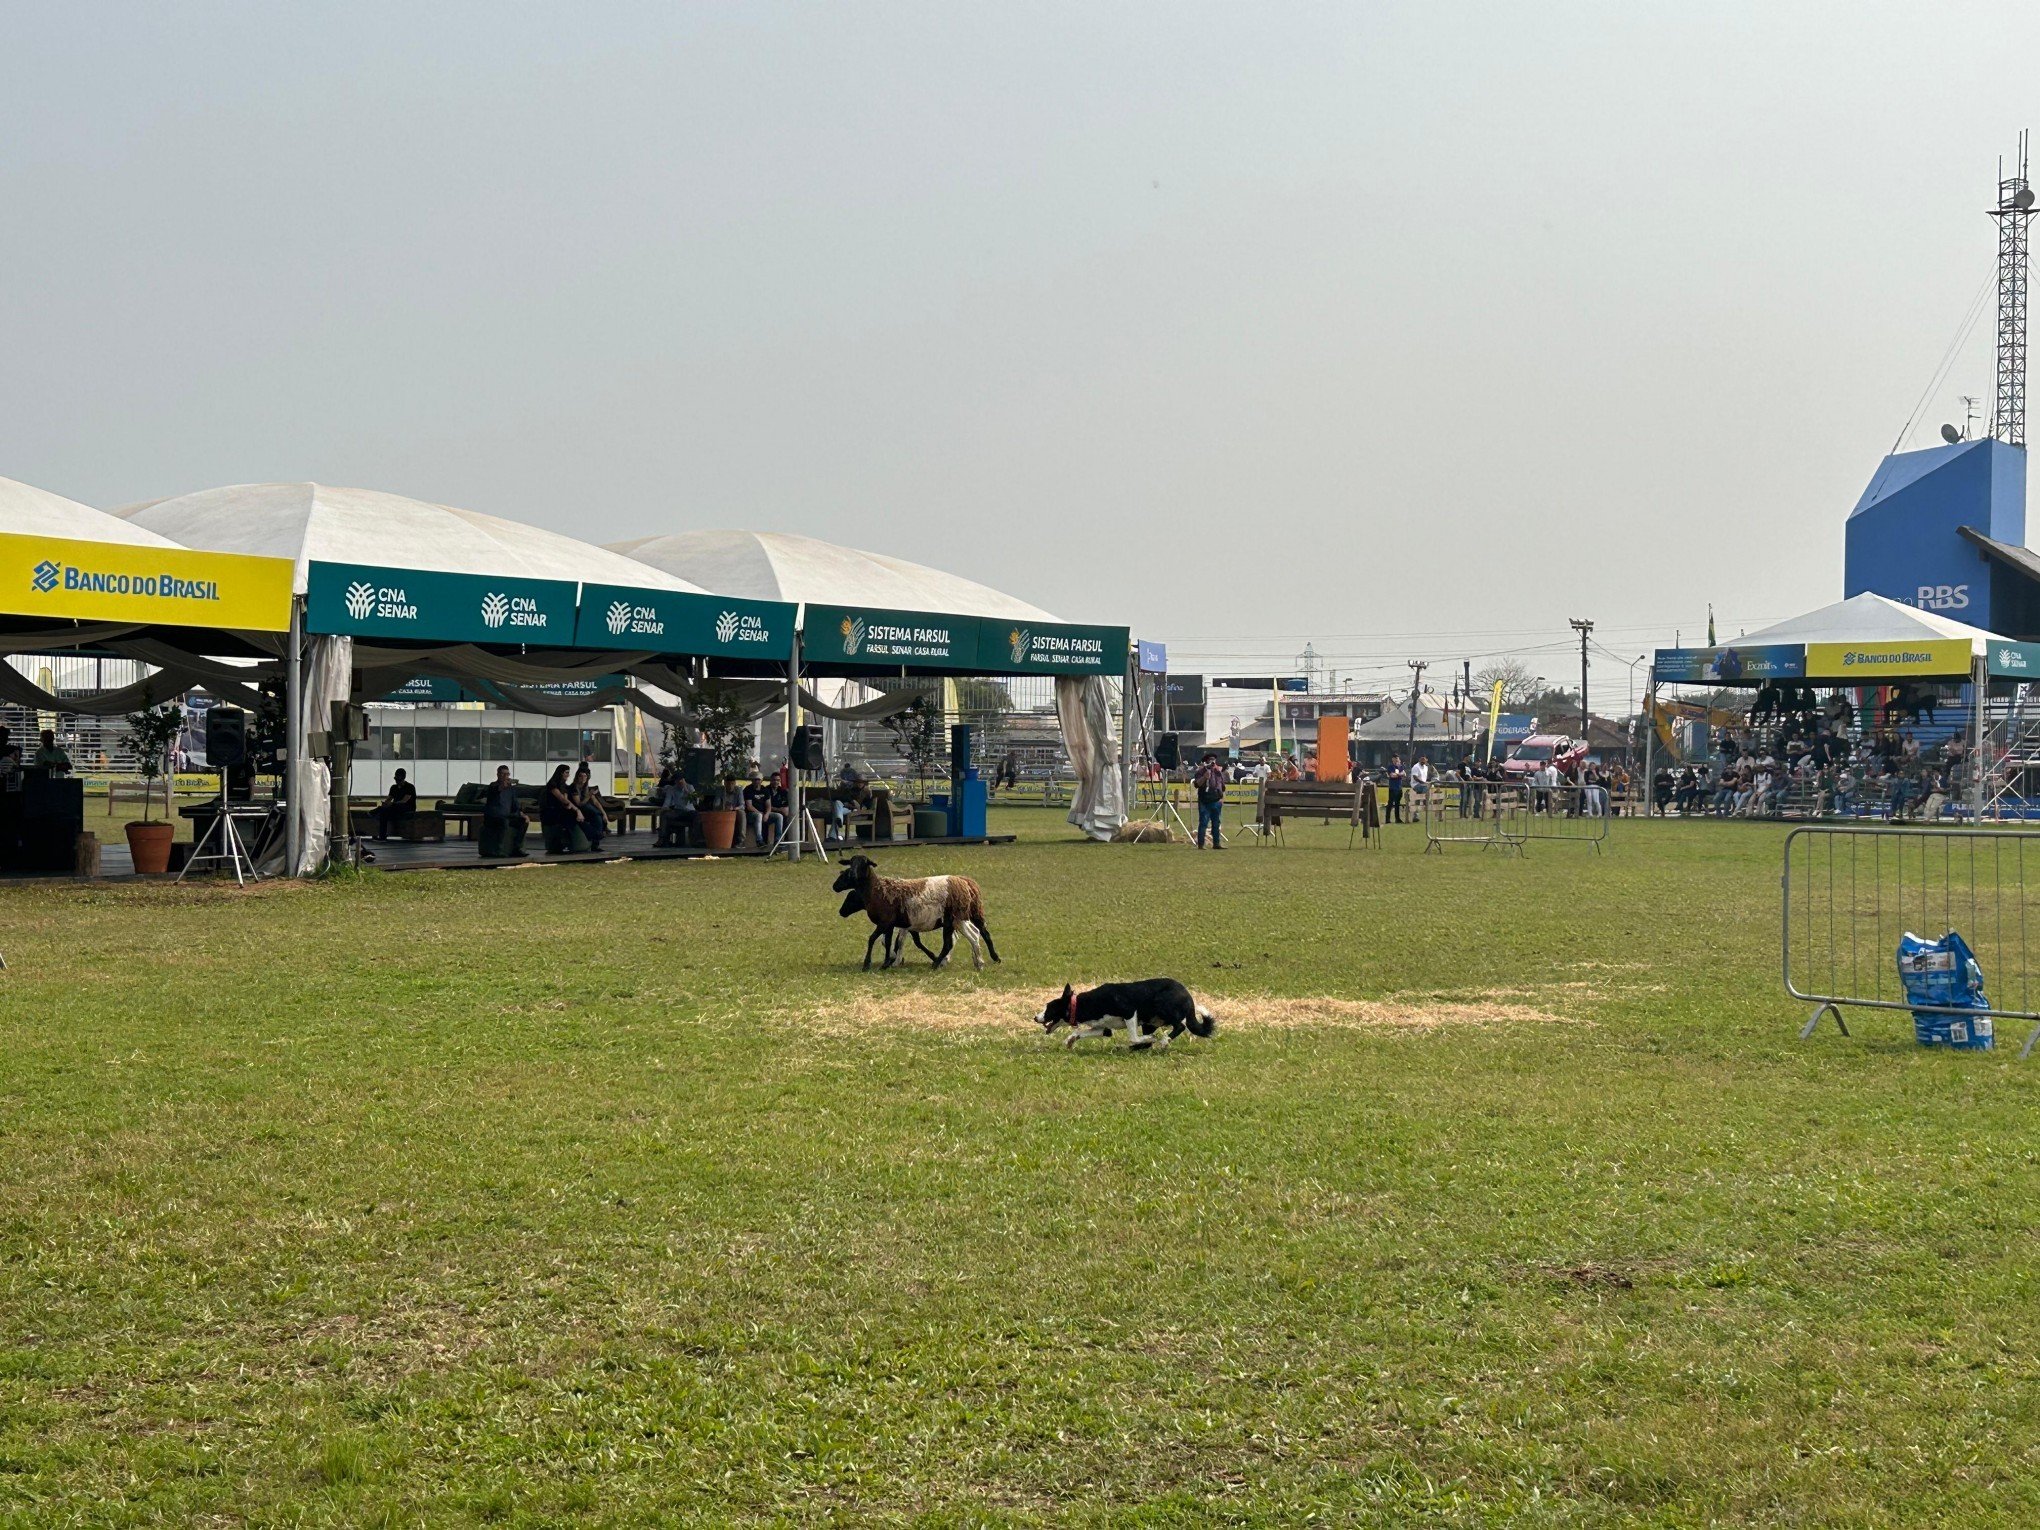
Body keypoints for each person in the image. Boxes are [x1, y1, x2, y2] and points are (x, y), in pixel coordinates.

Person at [481, 765, 528, 856]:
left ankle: (517, 848)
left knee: (523, 821)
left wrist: (522, 814)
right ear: (498, 774)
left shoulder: (511, 789)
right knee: (503, 821)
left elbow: (515, 805)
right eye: (503, 774)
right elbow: (498, 789)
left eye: (507, 774)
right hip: (494, 816)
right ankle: (500, 850)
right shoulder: (493, 786)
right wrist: (504, 785)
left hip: (508, 815)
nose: (506, 776)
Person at [539, 764, 586, 853]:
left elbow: (566, 800)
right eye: (566, 772)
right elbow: (562, 798)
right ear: (560, 773)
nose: (568, 775)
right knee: (570, 816)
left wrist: (572, 807)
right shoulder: (552, 784)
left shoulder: (563, 785)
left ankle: (575, 840)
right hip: (550, 811)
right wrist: (577, 810)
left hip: (559, 809)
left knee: (574, 814)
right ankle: (566, 843)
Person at [655, 768, 700, 848]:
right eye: (677, 780)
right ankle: (662, 839)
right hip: (678, 811)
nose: (679, 782)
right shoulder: (672, 789)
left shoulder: (690, 787)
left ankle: (696, 839)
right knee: (665, 815)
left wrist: (686, 790)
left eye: (680, 780)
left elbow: (695, 802)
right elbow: (667, 803)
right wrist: (664, 809)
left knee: (696, 815)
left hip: (689, 812)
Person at [1192, 752, 1227, 849]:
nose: (1213, 762)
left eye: (1214, 759)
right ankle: (1201, 845)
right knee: (1203, 823)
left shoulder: (1218, 772)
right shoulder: (1201, 772)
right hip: (1205, 801)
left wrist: (1221, 798)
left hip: (1216, 801)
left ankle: (1216, 844)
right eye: (1210, 759)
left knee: (1216, 823)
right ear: (1206, 761)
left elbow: (1222, 786)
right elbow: (1197, 784)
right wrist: (1205, 777)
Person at [372, 768, 418, 840]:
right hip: (395, 807)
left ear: (403, 778)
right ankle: (382, 836)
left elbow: (404, 801)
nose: (397, 781)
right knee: (384, 812)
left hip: (407, 808)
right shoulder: (393, 787)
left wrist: (391, 804)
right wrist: (385, 803)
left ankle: (373, 812)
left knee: (394, 807)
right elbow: (389, 798)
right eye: (395, 779)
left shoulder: (410, 787)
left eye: (398, 780)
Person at [570, 764, 608, 850]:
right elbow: (579, 804)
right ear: (577, 777)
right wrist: (589, 795)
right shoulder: (574, 787)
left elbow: (595, 802)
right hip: (576, 810)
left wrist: (604, 813)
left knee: (599, 816)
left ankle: (597, 840)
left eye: (585, 776)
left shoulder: (585, 787)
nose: (583, 778)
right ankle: (597, 837)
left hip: (587, 811)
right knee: (595, 815)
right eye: (581, 776)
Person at [742, 770, 776, 849]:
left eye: (758, 779)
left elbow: (768, 805)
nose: (757, 781)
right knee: (758, 816)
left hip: (764, 813)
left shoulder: (765, 790)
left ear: (761, 780)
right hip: (751, 814)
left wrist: (767, 814)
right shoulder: (748, 790)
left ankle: (778, 841)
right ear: (752, 780)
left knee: (779, 817)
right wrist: (760, 813)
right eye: (755, 779)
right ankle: (759, 840)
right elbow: (749, 806)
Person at [1384, 755, 1406, 823]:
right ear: (1392, 759)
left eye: (1397, 758)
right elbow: (1392, 775)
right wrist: (1400, 774)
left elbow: (1404, 774)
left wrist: (1397, 774)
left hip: (1399, 787)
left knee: (1397, 804)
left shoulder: (1400, 766)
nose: (1397, 760)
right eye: (1395, 758)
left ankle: (1397, 819)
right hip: (1392, 788)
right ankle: (1387, 819)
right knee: (1390, 803)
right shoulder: (1390, 767)